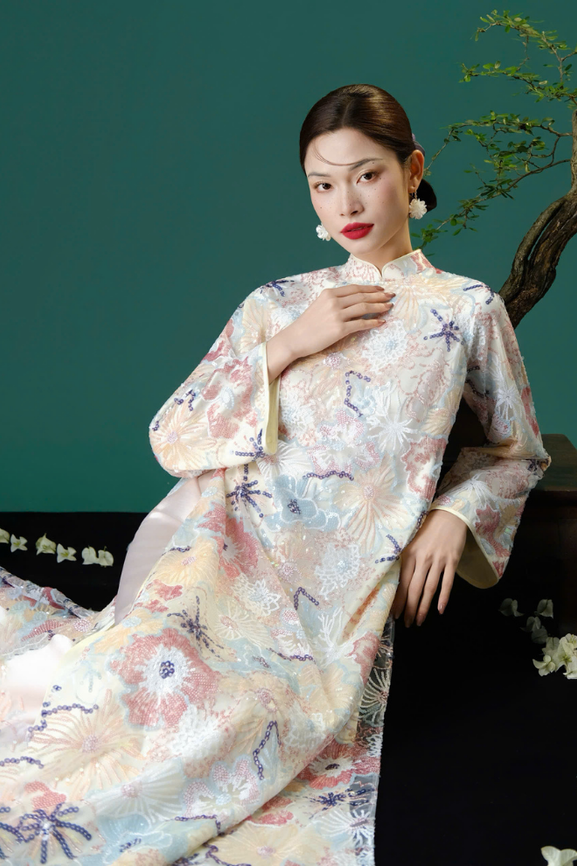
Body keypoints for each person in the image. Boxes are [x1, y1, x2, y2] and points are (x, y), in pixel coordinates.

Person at [0, 82, 551, 865]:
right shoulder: (277, 304)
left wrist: (451, 515)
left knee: (242, 723)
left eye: (365, 175)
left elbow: (515, 451)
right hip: (220, 551)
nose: (345, 202)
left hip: (332, 597)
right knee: (122, 693)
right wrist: (289, 345)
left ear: (411, 170)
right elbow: (174, 432)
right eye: (322, 184)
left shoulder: (465, 310)